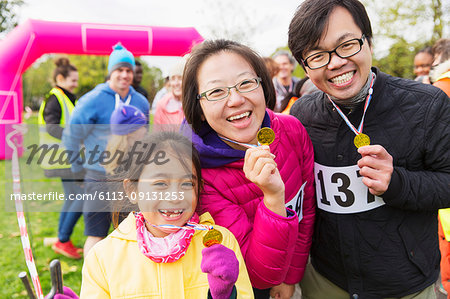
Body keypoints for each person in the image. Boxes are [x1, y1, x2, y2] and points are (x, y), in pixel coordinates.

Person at [288, 0, 450, 298]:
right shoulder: (302, 115)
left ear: (368, 42)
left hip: (406, 284)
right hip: (326, 280)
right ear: (305, 66)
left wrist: (397, 182)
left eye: (347, 45)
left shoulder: (427, 105)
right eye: (317, 55)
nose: (335, 62)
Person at [181, 39, 315, 299]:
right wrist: (274, 199)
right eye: (216, 92)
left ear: (263, 86)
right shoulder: (197, 172)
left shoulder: (292, 130)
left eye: (245, 83)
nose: (236, 99)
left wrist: (292, 276)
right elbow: (257, 274)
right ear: (198, 108)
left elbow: (305, 208)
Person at [80, 132, 253, 299]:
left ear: (198, 188)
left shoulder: (221, 242)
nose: (175, 196)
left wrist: (225, 295)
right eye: (160, 183)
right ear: (133, 190)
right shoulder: (103, 257)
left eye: (186, 184)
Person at [63, 43, 149, 255]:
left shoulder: (141, 102)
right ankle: (91, 283)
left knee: (131, 233)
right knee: (96, 234)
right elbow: (72, 137)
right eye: (119, 69)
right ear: (111, 72)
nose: (124, 75)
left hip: (128, 178)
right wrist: (77, 171)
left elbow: (143, 137)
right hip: (98, 176)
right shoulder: (92, 100)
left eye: (128, 70)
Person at [38, 57, 83, 259]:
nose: (76, 84)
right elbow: (52, 126)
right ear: (60, 78)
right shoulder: (55, 98)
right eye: (72, 80)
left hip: (66, 156)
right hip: (60, 157)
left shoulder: (66, 97)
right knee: (81, 197)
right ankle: (63, 240)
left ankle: (62, 238)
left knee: (73, 197)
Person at [154, 59, 185, 125]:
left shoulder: (194, 103)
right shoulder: (162, 104)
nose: (176, 83)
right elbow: (157, 133)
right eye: (173, 79)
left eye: (180, 78)